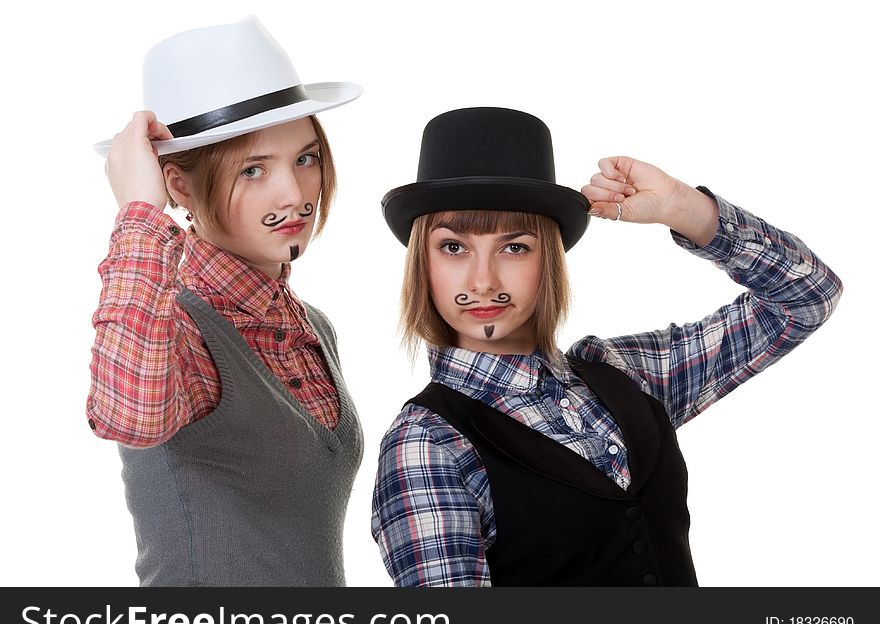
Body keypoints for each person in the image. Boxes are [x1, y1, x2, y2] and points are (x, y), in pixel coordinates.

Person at [371, 107, 842, 586]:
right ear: (421, 265)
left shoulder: (621, 372)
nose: (484, 280)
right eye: (454, 247)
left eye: (515, 247)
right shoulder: (427, 443)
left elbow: (806, 297)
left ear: (548, 261)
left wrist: (684, 208)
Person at [87, 16, 364, 586]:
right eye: (254, 170)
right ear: (180, 185)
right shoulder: (178, 324)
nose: (294, 194)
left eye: (305, 158)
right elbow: (127, 413)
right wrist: (140, 211)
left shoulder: (312, 326)